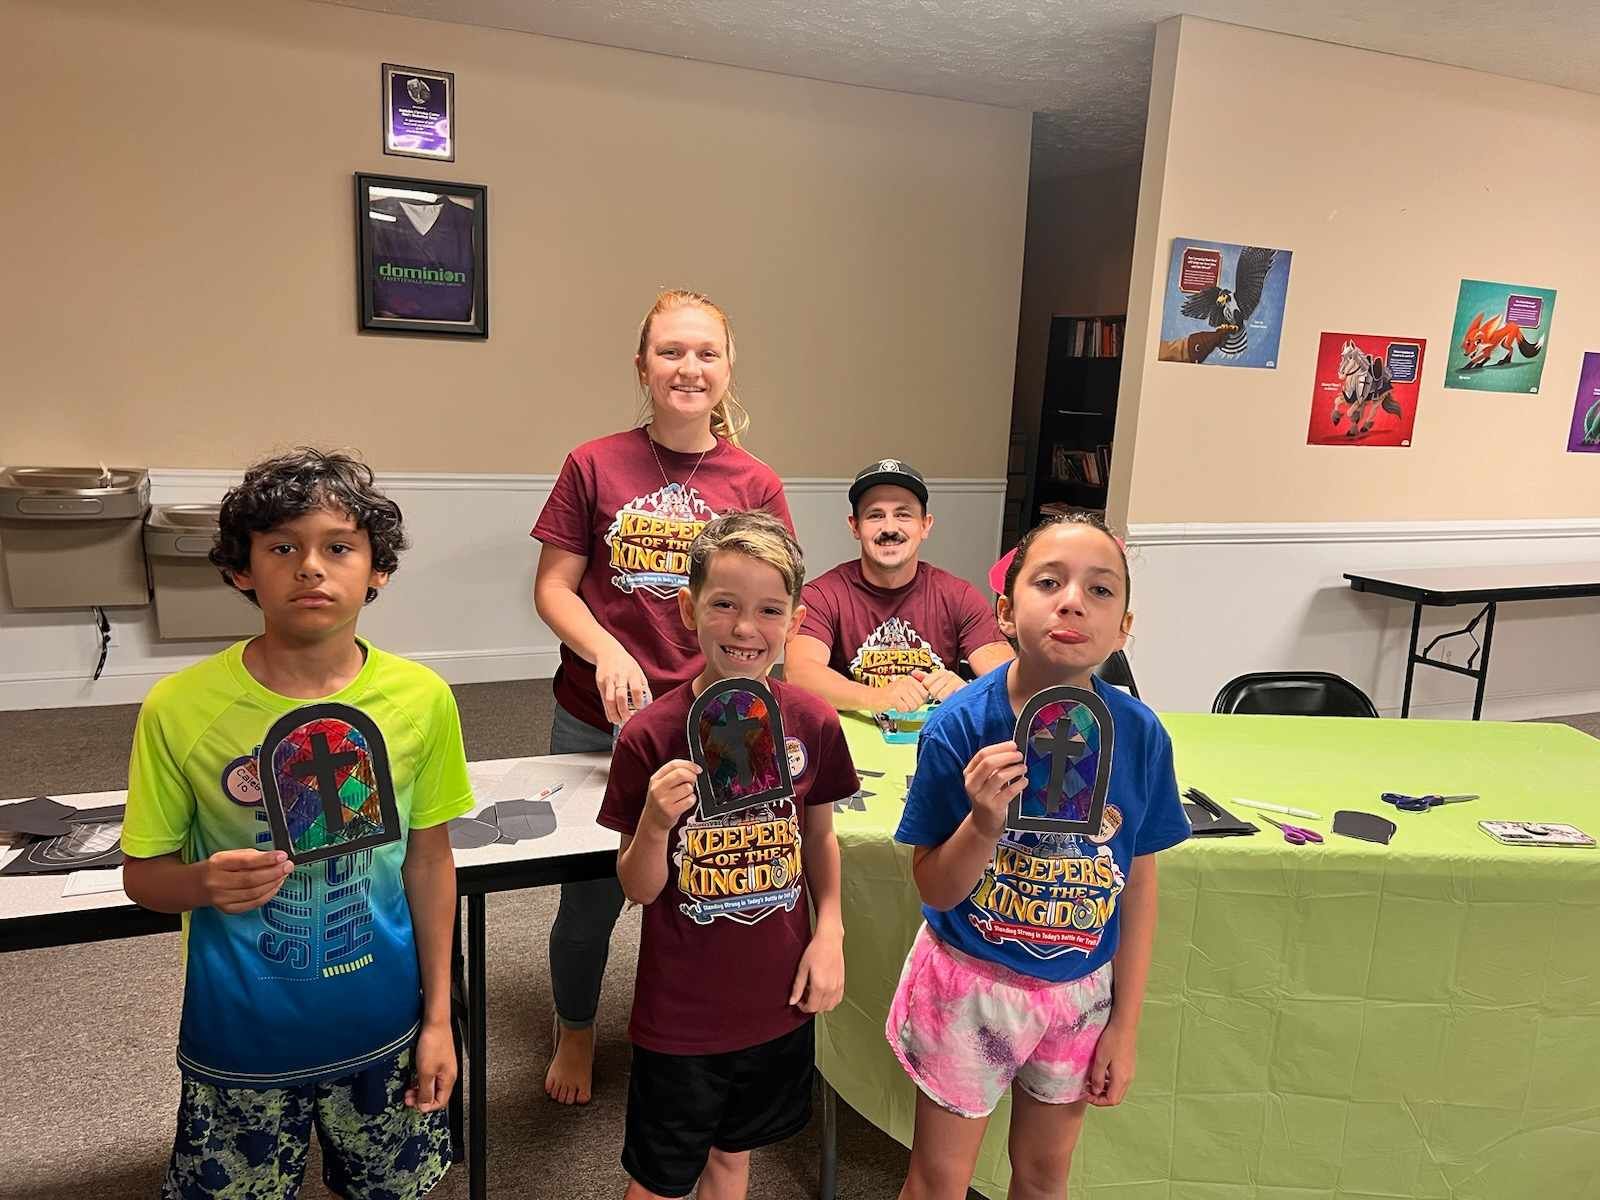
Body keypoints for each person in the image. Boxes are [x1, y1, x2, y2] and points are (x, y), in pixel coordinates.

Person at [122, 448, 472, 1199]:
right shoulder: (179, 708)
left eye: (338, 548)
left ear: (376, 570)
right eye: (283, 547)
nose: (311, 568)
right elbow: (144, 879)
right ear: (242, 569)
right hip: (242, 1037)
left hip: (386, 1030)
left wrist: (440, 1021)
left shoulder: (422, 699)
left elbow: (430, 862)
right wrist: (201, 883)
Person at [530, 289, 793, 1104]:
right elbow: (554, 588)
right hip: (597, 715)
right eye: (671, 351)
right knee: (593, 895)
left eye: (706, 353)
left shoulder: (755, 479)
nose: (689, 367)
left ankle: (693, 1035)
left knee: (708, 888)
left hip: (711, 722)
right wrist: (606, 649)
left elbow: (778, 602)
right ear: (642, 365)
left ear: (728, 368)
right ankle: (576, 1028)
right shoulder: (594, 463)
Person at [887, 512, 1191, 1200]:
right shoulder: (960, 726)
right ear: (1005, 609)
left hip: (1078, 995)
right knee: (939, 1179)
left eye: (1100, 590)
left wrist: (1125, 1023)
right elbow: (934, 887)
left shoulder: (1139, 737)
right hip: (968, 989)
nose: (1073, 600)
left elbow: (1139, 884)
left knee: (1046, 1174)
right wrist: (983, 824)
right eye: (1049, 581)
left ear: (1124, 627)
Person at [598, 511, 858, 1200]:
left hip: (775, 998)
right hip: (681, 1014)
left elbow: (821, 836)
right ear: (689, 609)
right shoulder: (650, 736)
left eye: (769, 610)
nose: (746, 629)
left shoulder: (813, 722)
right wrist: (654, 823)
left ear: (794, 622)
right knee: (657, 1180)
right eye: (724, 605)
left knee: (733, 1158)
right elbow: (638, 888)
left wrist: (828, 931)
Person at [785, 458, 1012, 714]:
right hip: (849, 744)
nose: (889, 528)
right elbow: (799, 673)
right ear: (855, 526)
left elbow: (1008, 677)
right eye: (875, 515)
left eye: (903, 514)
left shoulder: (959, 596)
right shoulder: (823, 595)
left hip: (936, 743)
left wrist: (968, 693)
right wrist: (876, 697)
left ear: (925, 525)